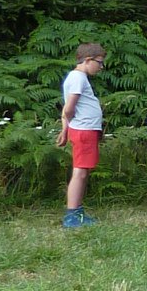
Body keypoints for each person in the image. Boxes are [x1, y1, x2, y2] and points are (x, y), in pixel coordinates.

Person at [57, 42, 106, 229]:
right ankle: (72, 215)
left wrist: (66, 128)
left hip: (85, 129)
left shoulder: (77, 77)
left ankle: (77, 211)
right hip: (84, 130)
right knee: (80, 172)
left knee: (83, 171)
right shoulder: (78, 77)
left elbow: (67, 109)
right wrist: (67, 127)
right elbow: (69, 108)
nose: (101, 67)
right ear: (87, 60)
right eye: (99, 62)